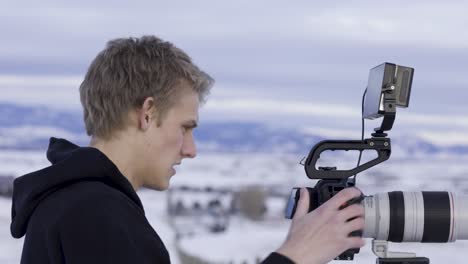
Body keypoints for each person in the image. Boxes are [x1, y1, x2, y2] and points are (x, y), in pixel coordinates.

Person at [10, 36, 365, 264]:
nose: (191, 150)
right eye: (186, 128)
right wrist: (295, 258)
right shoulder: (96, 213)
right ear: (147, 114)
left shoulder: (72, 203)